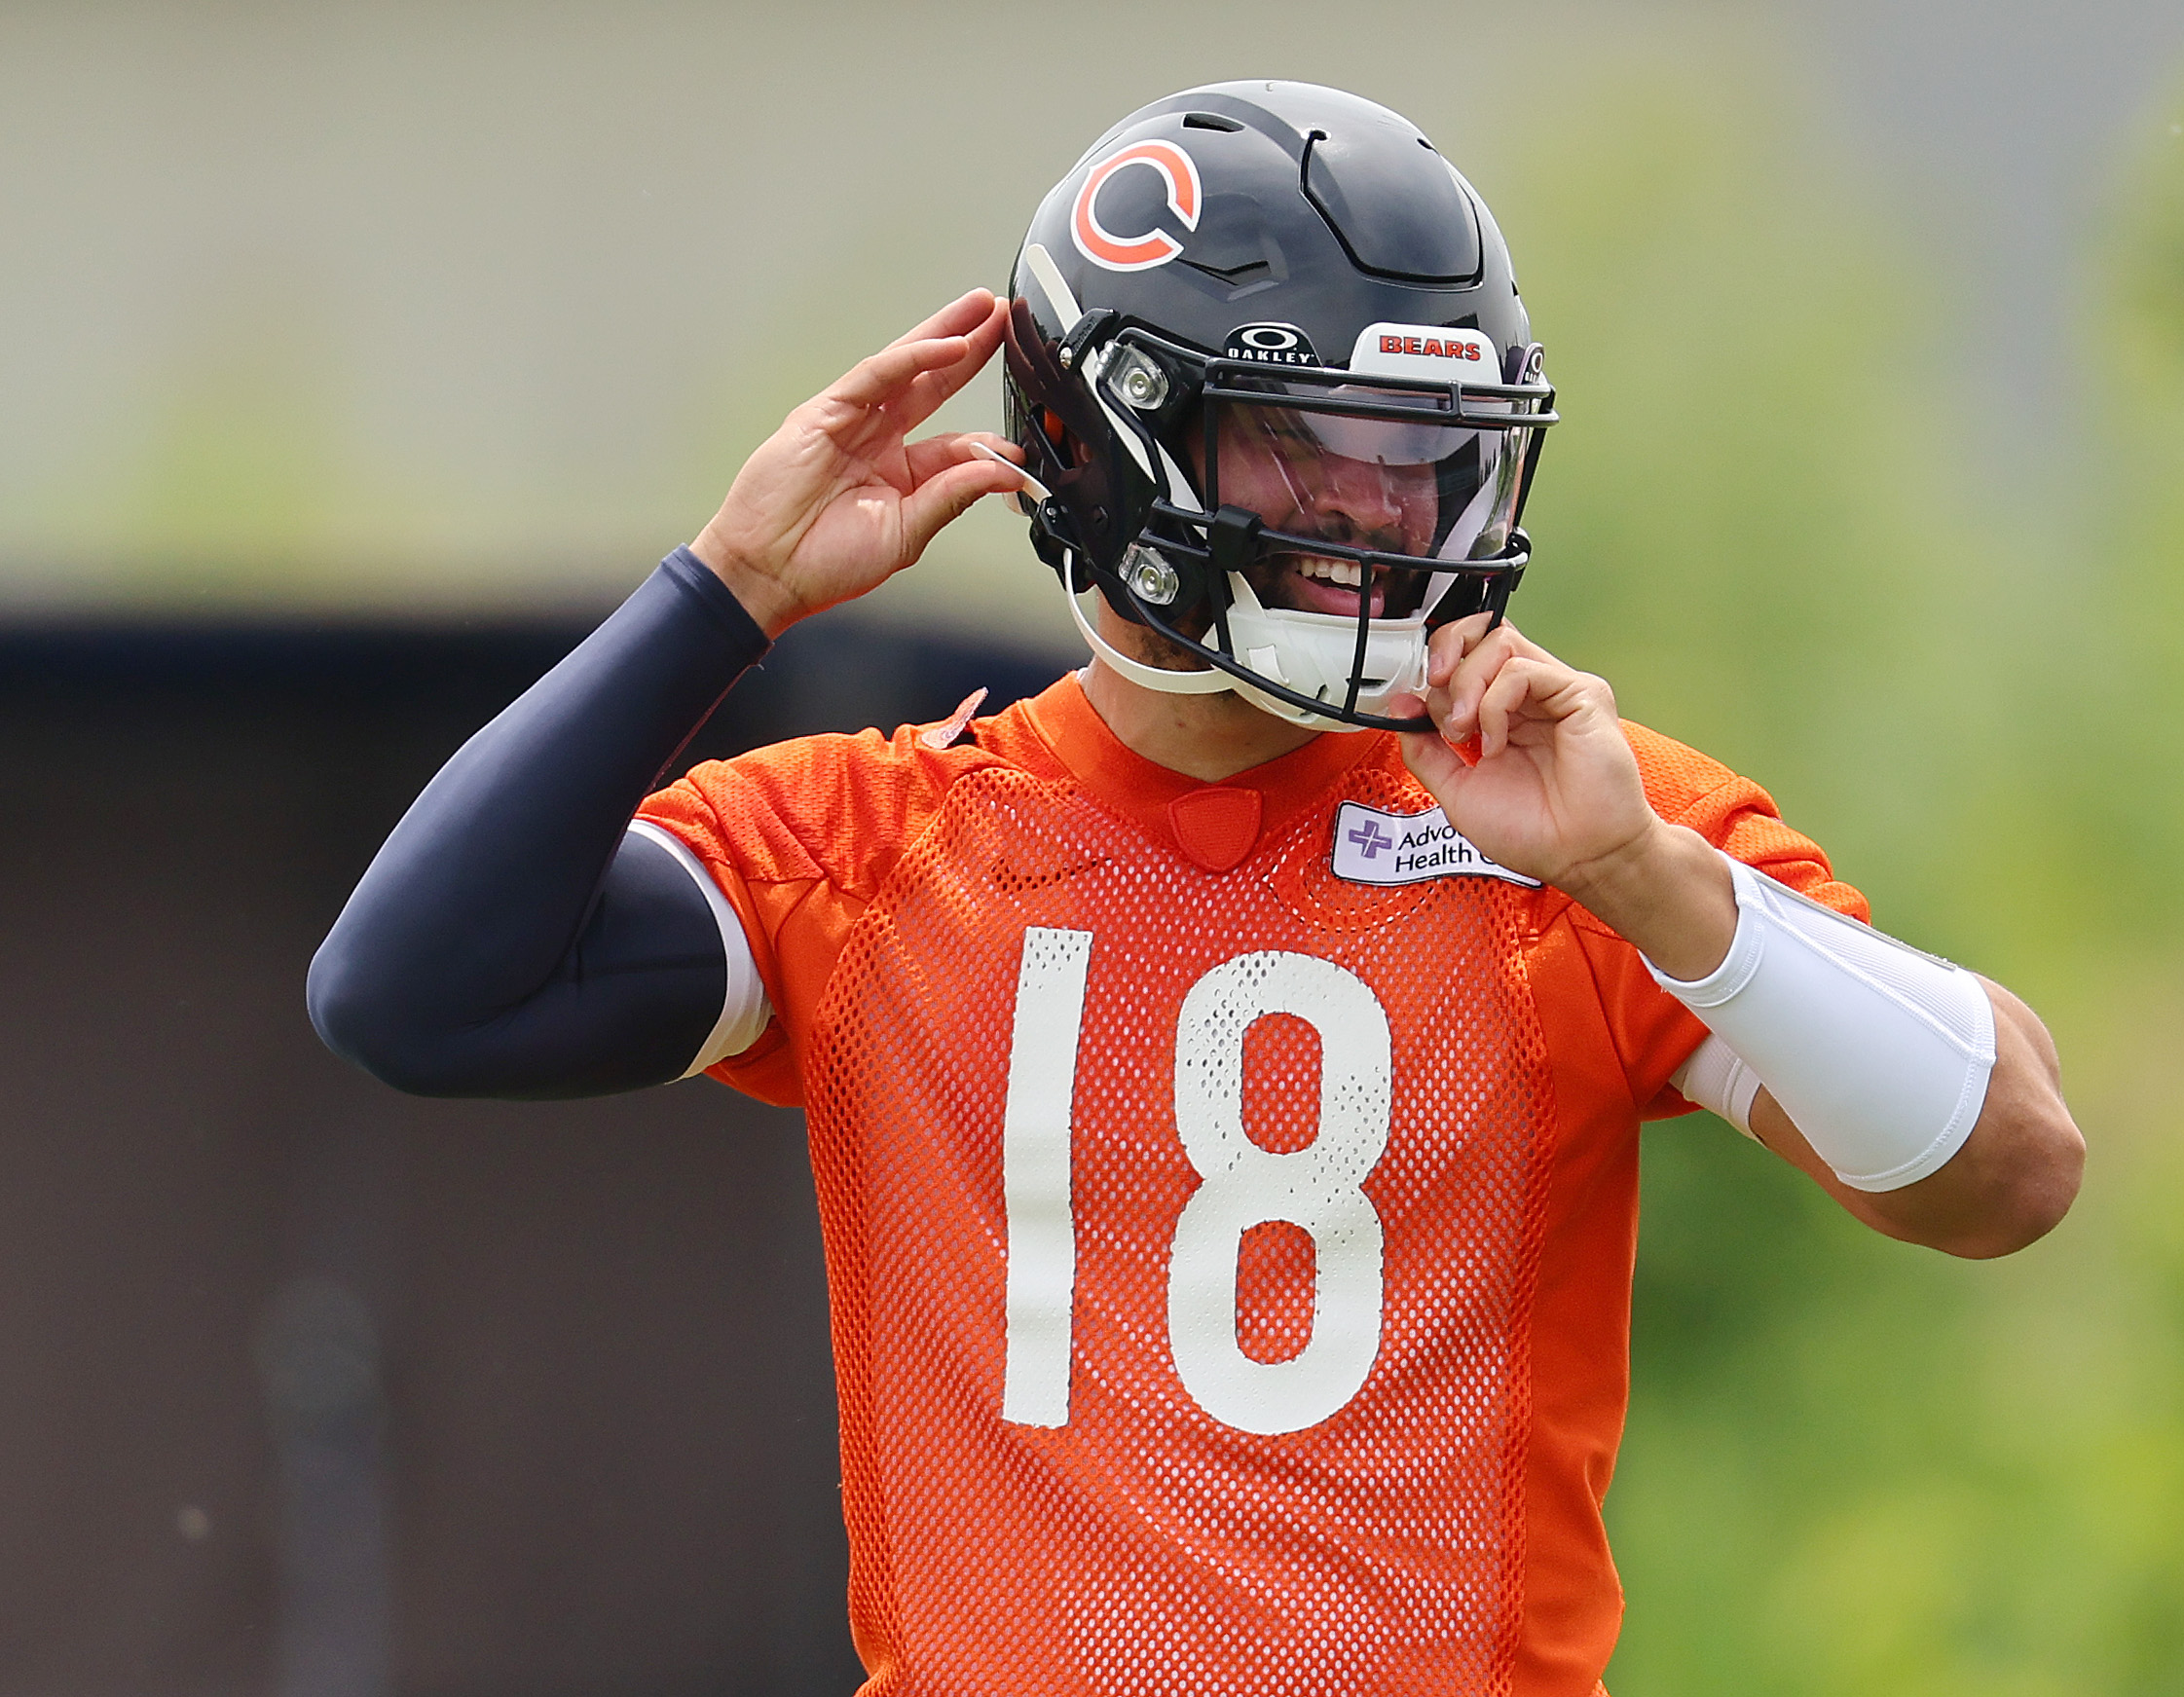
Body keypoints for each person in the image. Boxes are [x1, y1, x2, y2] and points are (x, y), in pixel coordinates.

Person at [311, 81, 2083, 1697]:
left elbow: (2007, 1169)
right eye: (1313, 446)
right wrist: (725, 591)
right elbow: (410, 991)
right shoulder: (884, 847)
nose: (1386, 514)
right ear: (1110, 443)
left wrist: (1645, 876)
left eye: (1420, 451)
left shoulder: (1577, 823)